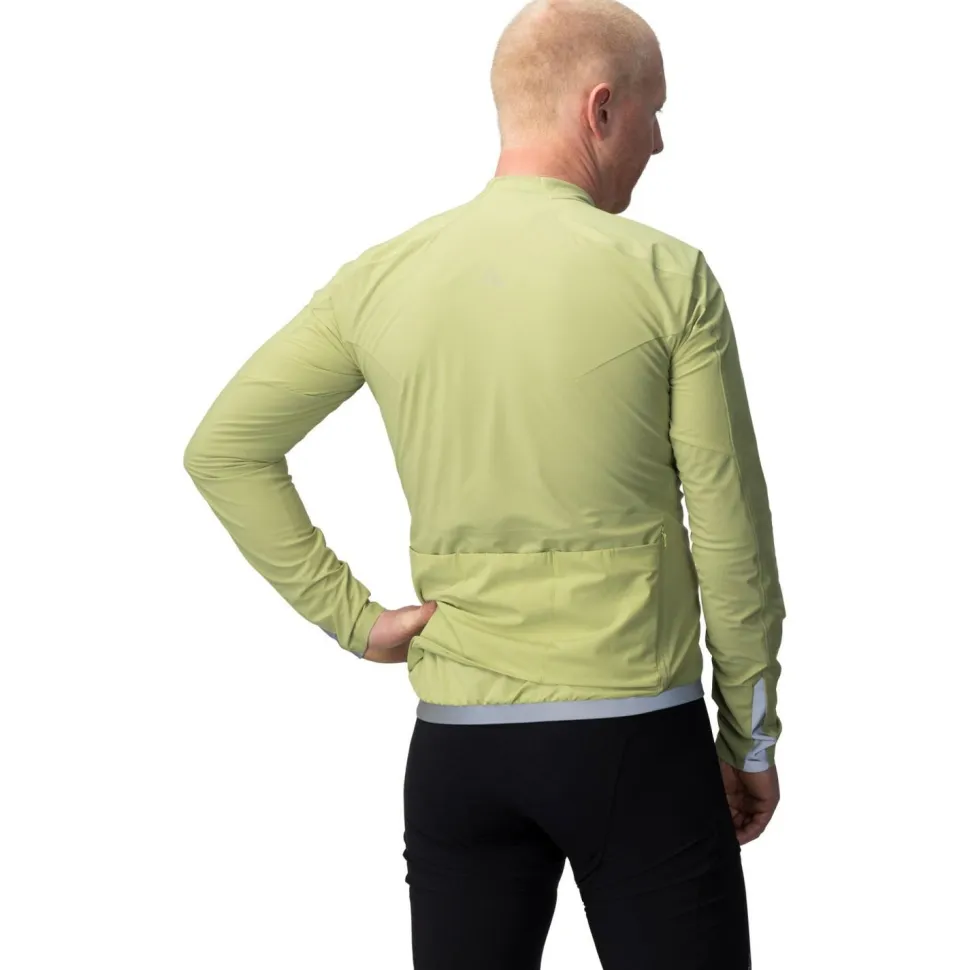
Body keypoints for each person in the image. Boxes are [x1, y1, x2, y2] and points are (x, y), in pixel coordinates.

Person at [182, 0, 785, 966]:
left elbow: (225, 448)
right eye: (654, 111)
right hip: (637, 744)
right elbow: (730, 533)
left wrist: (355, 620)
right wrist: (749, 737)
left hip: (460, 754)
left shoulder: (381, 278)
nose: (660, 141)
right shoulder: (669, 276)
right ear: (600, 109)